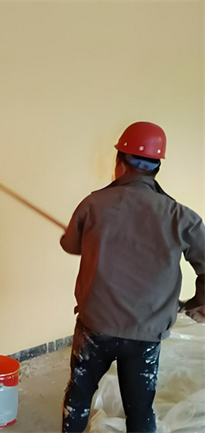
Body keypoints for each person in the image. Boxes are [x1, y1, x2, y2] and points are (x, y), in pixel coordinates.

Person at [60, 121, 205, 433]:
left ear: (119, 163)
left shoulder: (93, 204)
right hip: (146, 334)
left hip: (95, 328)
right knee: (140, 409)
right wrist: (198, 302)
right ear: (156, 168)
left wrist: (85, 232)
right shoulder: (181, 216)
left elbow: (70, 245)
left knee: (79, 396)